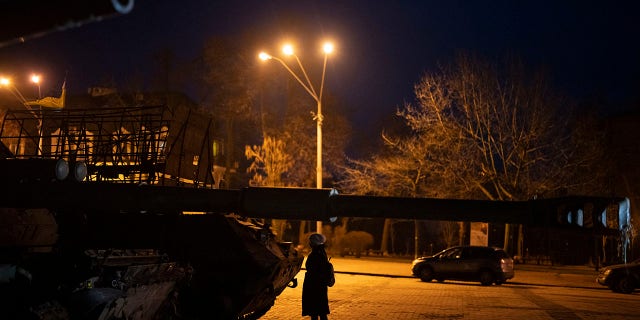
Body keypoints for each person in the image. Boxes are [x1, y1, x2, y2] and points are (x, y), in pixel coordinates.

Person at [302, 233, 332, 320]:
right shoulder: (322, 252)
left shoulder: (315, 254)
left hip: (313, 286)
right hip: (320, 286)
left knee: (314, 312)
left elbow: (311, 269)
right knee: (322, 311)